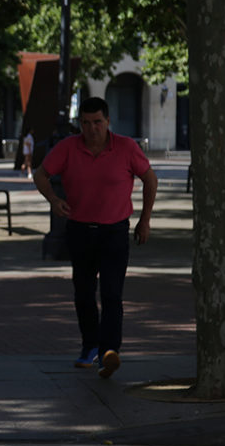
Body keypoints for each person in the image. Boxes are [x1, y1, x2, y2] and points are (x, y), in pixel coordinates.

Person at [33, 98, 157, 379]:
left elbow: (150, 179)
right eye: (86, 123)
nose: (92, 129)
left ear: (108, 122)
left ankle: (109, 352)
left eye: (97, 122)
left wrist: (145, 220)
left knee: (112, 294)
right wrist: (53, 199)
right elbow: (40, 174)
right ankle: (90, 346)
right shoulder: (68, 147)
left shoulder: (125, 147)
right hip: (79, 231)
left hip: (114, 231)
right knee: (84, 293)